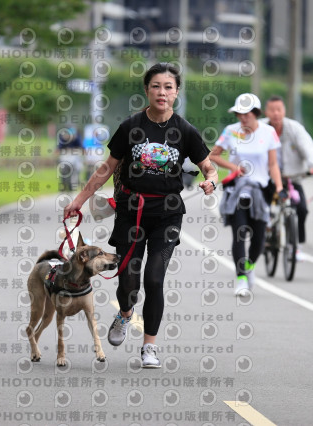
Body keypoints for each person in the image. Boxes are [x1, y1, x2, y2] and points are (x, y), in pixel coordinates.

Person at [63, 63, 217, 368]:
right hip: (131, 213)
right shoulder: (131, 127)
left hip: (167, 214)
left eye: (168, 87)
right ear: (147, 90)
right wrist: (79, 200)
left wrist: (211, 180)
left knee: (154, 278)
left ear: (176, 92)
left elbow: (208, 166)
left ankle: (149, 347)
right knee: (129, 282)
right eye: (156, 86)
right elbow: (106, 168)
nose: (162, 92)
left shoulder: (185, 131)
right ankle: (124, 314)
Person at [209, 93, 284, 297]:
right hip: (237, 190)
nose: (242, 118)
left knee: (259, 239)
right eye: (239, 114)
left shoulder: (269, 133)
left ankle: (249, 266)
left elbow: (273, 164)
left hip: (260, 191)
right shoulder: (230, 131)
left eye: (246, 114)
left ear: (256, 114)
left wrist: (279, 187)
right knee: (240, 233)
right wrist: (234, 166)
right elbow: (212, 155)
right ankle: (241, 278)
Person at [262, 95, 313, 259]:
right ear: (266, 112)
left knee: (301, 209)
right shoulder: (260, 128)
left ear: (284, 111)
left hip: (291, 178)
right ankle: (263, 234)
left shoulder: (294, 128)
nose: (276, 113)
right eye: (272, 110)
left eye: (279, 110)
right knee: (260, 207)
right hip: (267, 178)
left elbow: (308, 147)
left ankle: (295, 246)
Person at [57, 125, 83, 191]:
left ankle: (72, 185)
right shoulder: (63, 139)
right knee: (63, 171)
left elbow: (81, 148)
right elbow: (58, 148)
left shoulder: (77, 138)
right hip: (65, 156)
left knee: (75, 170)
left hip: (74, 156)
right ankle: (64, 185)